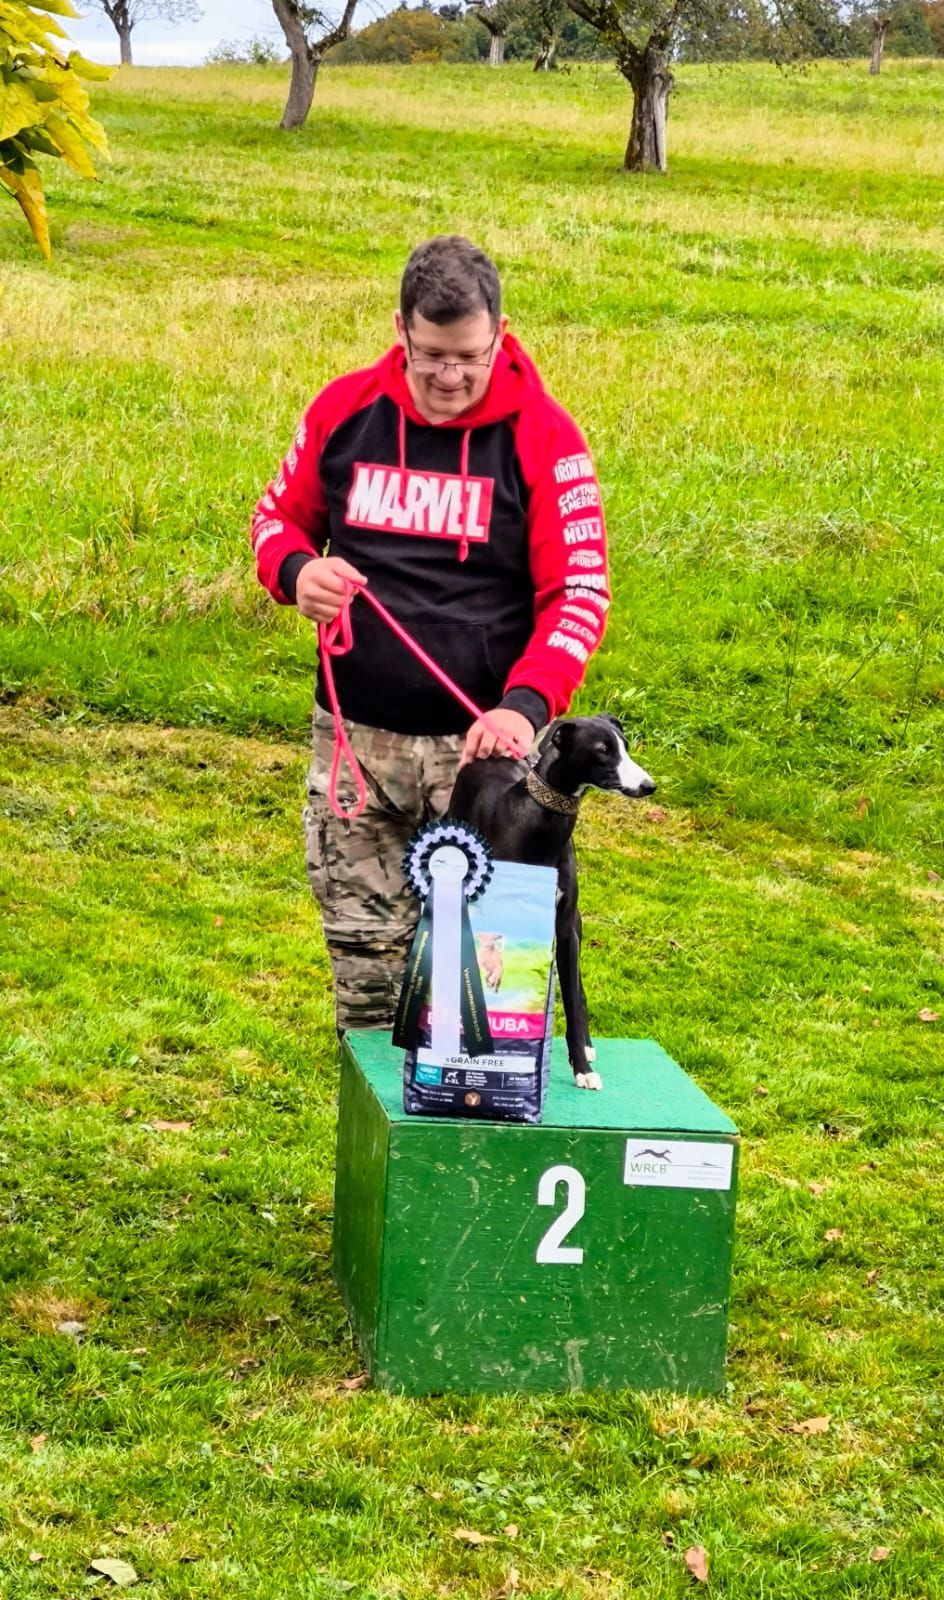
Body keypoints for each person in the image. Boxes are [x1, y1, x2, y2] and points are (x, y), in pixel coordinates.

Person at [251, 235, 610, 1032]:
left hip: (489, 760)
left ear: (501, 335)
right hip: (356, 752)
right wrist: (296, 571)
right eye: (431, 356)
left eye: (470, 358)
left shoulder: (547, 438)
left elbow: (579, 594)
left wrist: (525, 706)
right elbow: (277, 519)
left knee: (489, 1001)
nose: (449, 376)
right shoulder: (343, 411)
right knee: (368, 993)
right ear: (401, 331)